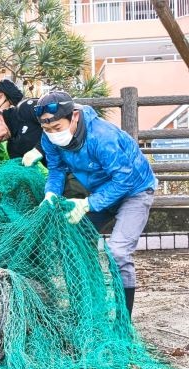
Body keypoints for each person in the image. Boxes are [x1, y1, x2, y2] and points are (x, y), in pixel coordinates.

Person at [36, 90, 157, 317]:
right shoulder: (49, 138)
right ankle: (91, 306)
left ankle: (124, 322)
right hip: (101, 190)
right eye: (47, 129)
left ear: (74, 117)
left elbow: (124, 179)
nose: (52, 134)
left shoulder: (102, 136)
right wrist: (50, 193)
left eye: (57, 128)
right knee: (76, 237)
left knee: (118, 251)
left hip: (135, 190)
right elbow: (56, 169)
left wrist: (88, 204)